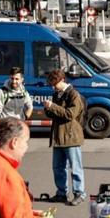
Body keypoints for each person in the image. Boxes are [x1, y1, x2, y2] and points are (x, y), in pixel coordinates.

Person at [43, 69, 87, 206]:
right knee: (58, 167)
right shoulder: (57, 94)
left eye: (54, 84)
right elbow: (55, 114)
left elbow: (70, 114)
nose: (52, 87)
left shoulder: (73, 95)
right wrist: (48, 109)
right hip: (58, 136)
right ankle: (61, 193)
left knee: (75, 167)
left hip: (71, 137)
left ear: (62, 80)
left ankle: (79, 193)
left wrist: (53, 107)